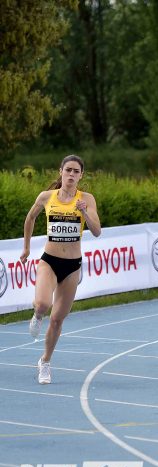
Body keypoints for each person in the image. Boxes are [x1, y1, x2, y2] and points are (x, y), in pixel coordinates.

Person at [20, 155, 102, 384]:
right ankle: (37, 315)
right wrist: (26, 247)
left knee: (57, 319)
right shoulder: (47, 197)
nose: (71, 174)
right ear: (61, 172)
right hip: (49, 261)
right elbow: (30, 218)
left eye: (76, 171)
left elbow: (97, 231)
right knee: (43, 304)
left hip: (72, 266)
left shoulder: (87, 199)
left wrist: (85, 212)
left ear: (81, 175)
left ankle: (45, 362)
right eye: (68, 170)